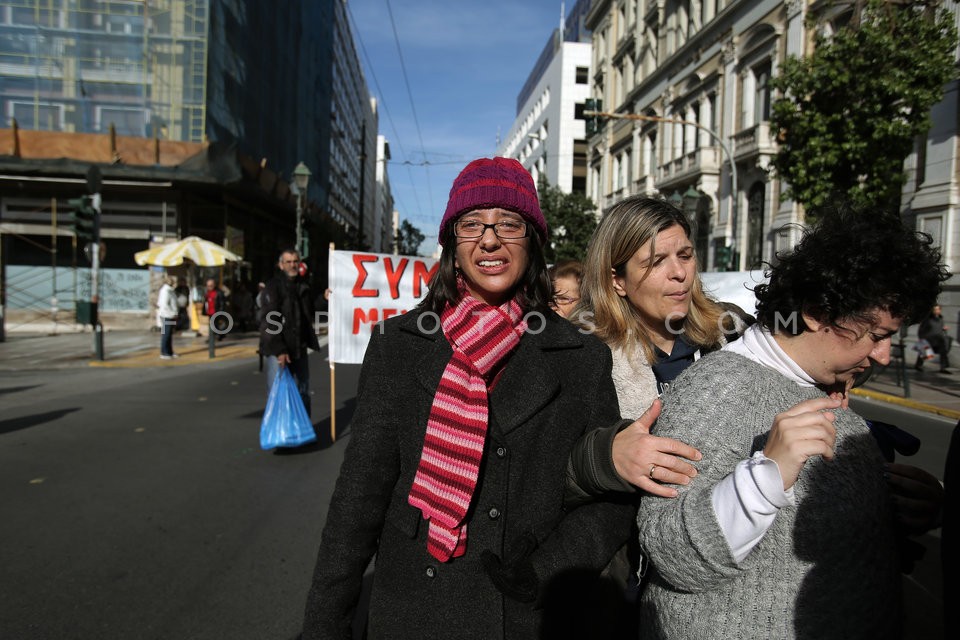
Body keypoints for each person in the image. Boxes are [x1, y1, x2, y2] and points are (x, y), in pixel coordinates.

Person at [302, 157, 636, 640]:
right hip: (413, 611)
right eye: (472, 224)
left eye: (509, 224)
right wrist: (324, 627)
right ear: (452, 245)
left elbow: (609, 496)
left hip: (526, 615)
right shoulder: (401, 344)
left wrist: (548, 570)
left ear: (533, 242)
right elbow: (358, 502)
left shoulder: (580, 356)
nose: (490, 238)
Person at [634, 209, 948, 638]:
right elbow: (672, 554)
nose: (884, 356)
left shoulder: (824, 387)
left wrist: (902, 511)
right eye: (876, 336)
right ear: (819, 313)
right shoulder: (720, 387)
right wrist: (767, 473)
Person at [258, 249, 320, 416]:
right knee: (276, 393)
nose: (292, 265)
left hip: (299, 348)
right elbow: (270, 320)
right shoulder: (273, 287)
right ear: (281, 265)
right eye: (288, 262)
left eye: (295, 261)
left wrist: (325, 298)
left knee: (303, 392)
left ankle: (303, 432)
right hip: (278, 349)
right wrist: (280, 349)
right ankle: (277, 436)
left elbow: (312, 310)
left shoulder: (303, 285)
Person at [915, 303, 951, 373]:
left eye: (938, 309)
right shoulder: (928, 319)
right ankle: (918, 366)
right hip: (928, 339)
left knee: (943, 352)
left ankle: (943, 368)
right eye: (935, 309)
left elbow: (939, 328)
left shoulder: (941, 319)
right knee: (924, 352)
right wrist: (921, 339)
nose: (936, 311)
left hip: (939, 339)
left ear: (940, 310)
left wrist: (943, 329)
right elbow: (921, 329)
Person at [156, 275, 180, 360]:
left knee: (169, 334)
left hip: (171, 315)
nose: (175, 283)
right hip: (166, 315)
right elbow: (164, 304)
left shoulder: (170, 290)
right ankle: (164, 352)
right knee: (166, 334)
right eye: (174, 281)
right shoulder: (165, 291)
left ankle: (169, 351)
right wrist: (172, 313)